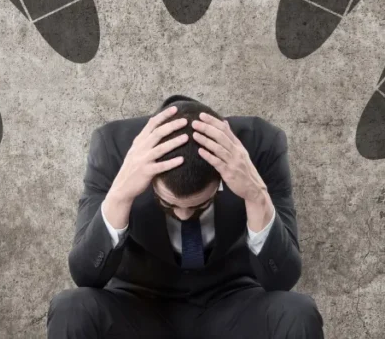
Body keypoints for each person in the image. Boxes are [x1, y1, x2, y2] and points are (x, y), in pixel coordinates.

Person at [47, 94, 323, 338]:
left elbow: (283, 279)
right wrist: (120, 194)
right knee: (71, 308)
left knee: (297, 312)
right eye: (168, 204)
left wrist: (255, 194)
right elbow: (85, 275)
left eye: (200, 205)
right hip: (139, 305)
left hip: (233, 302)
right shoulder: (114, 147)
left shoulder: (260, 145)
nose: (183, 215)